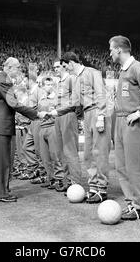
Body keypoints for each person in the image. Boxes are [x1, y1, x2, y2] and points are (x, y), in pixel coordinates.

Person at [50, 52, 111, 204]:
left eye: (65, 66)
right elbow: (74, 103)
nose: (65, 69)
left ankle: (102, 189)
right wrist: (56, 111)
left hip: (97, 111)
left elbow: (101, 94)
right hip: (87, 113)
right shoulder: (76, 79)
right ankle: (93, 187)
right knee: (88, 154)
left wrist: (102, 116)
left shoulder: (92, 72)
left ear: (71, 63)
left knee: (100, 152)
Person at [0, 57, 46, 203]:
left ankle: (2, 190)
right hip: (1, 127)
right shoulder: (4, 81)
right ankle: (1, 193)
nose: (20, 70)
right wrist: (36, 113)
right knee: (3, 161)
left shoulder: (1, 79)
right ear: (9, 67)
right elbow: (14, 104)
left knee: (3, 160)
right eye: (18, 68)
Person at [109, 35, 140, 220]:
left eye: (111, 49)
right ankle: (131, 203)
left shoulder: (138, 67)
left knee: (134, 166)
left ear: (119, 50)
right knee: (121, 166)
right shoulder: (123, 70)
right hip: (120, 121)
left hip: (132, 122)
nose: (110, 52)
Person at [53, 59, 82, 192]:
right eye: (54, 68)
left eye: (58, 67)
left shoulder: (71, 79)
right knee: (61, 151)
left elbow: (75, 101)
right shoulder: (58, 83)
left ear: (64, 67)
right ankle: (67, 181)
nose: (56, 69)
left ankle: (75, 183)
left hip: (68, 115)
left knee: (70, 151)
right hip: (58, 117)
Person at [36, 77, 64, 189]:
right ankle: (51, 178)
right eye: (47, 84)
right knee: (45, 156)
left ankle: (60, 179)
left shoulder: (57, 98)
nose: (49, 86)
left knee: (55, 154)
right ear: (42, 86)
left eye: (51, 84)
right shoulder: (41, 98)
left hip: (53, 127)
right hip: (42, 127)